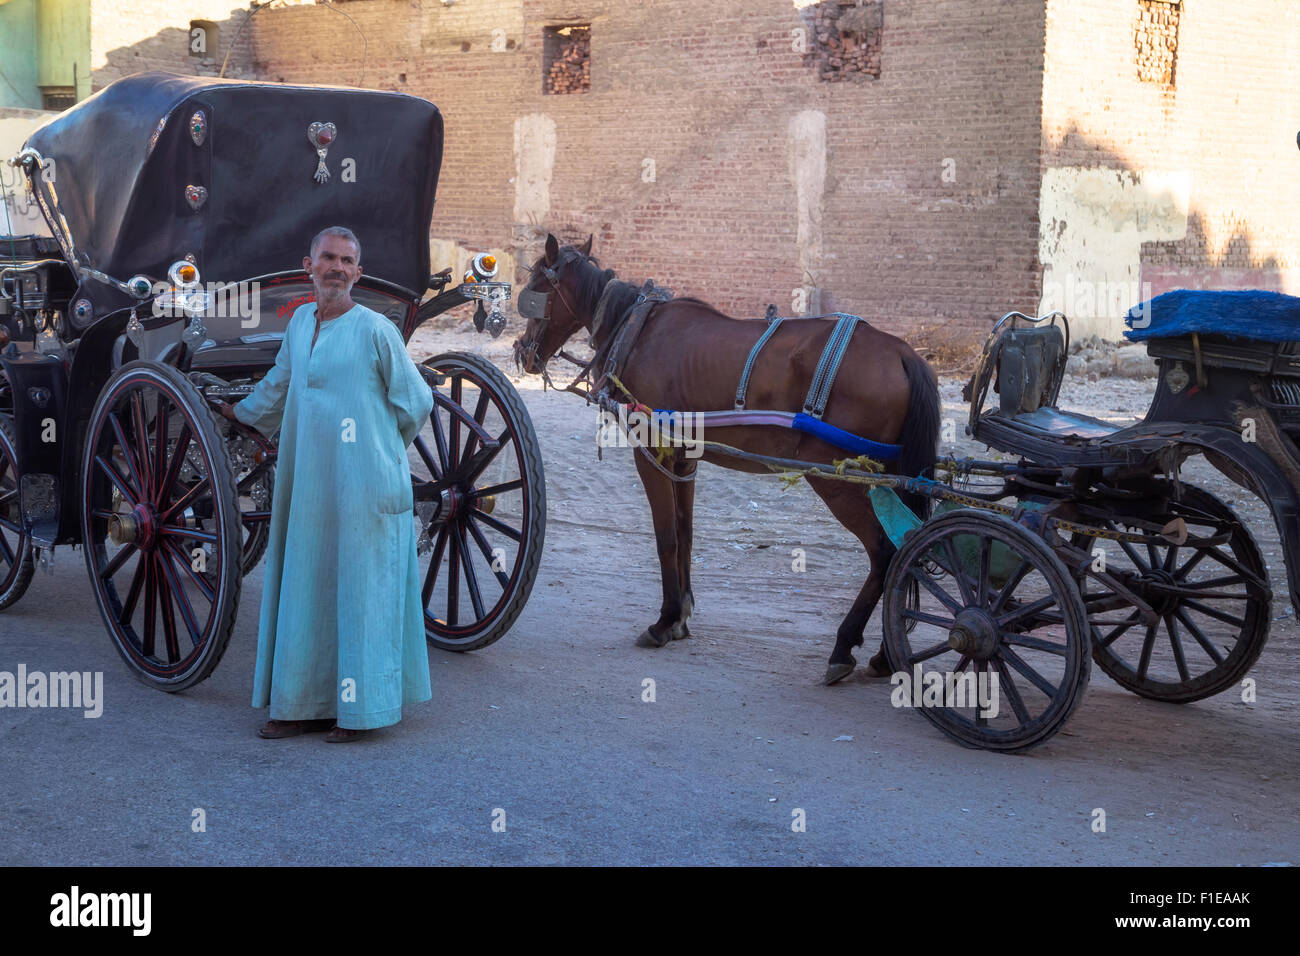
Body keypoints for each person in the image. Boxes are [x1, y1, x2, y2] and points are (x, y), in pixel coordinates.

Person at [216, 226, 435, 742]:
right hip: (310, 484)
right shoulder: (298, 325)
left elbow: (417, 402)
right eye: (328, 258)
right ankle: (300, 704)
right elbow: (278, 385)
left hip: (366, 485)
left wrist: (379, 451)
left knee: (362, 592)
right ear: (309, 266)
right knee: (307, 583)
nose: (337, 267)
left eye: (347, 260)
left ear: (358, 272)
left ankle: (361, 714)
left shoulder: (376, 330)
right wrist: (236, 412)